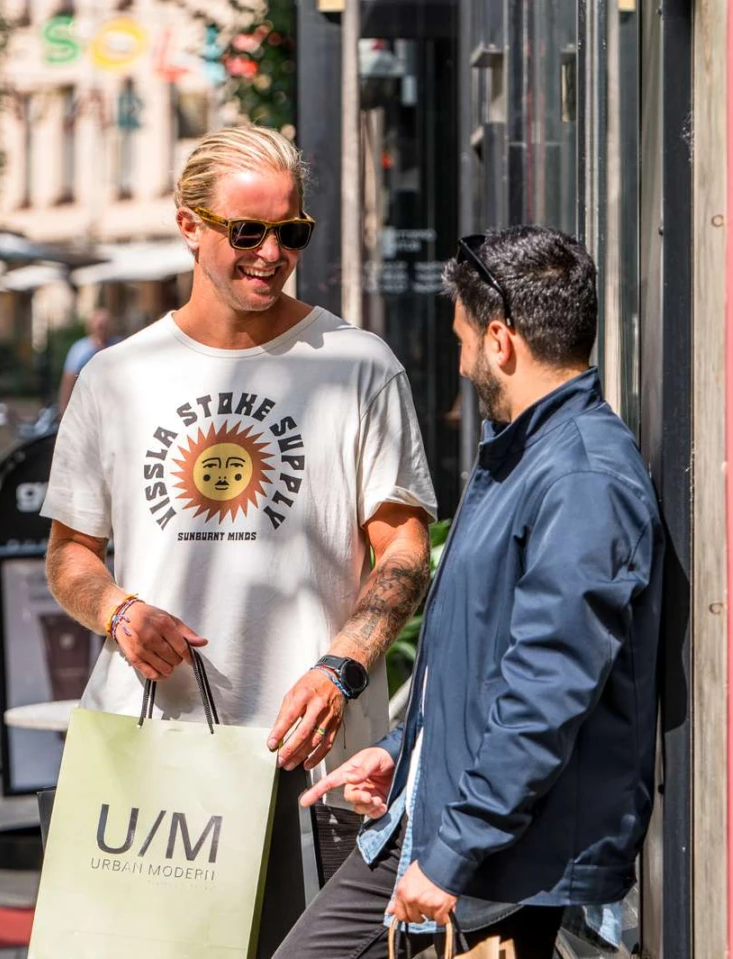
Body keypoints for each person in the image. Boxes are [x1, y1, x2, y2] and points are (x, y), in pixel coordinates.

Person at [39, 125, 437, 956]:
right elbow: (69, 553)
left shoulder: (358, 365)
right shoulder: (119, 377)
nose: (271, 253)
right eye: (246, 231)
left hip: (314, 770)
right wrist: (118, 611)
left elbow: (402, 547)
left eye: (290, 232)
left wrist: (343, 667)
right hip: (154, 768)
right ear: (190, 225)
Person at [280, 227, 664, 959]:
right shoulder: (528, 454)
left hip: (497, 856)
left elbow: (547, 690)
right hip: (454, 821)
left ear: (500, 340)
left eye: (461, 339)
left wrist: (452, 853)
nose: (459, 362)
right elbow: (482, 658)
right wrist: (407, 746)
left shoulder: (579, 474)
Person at [57, 307, 121, 412]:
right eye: (99, 325)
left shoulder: (118, 345)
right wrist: (63, 409)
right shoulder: (80, 349)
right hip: (87, 405)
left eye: (105, 325)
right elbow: (68, 380)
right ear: (91, 326)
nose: (102, 328)